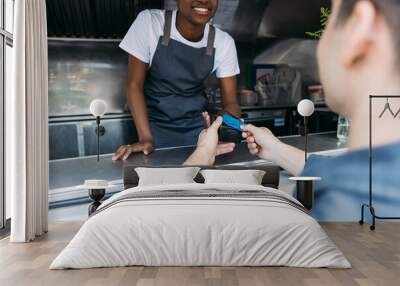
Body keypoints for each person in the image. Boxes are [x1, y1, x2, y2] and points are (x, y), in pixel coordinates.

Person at [187, 0, 400, 221]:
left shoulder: (340, 207)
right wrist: (277, 150)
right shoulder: (376, 181)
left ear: (359, 28)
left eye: (330, 21)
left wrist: (202, 153)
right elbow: (359, 174)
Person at [113, 0, 241, 160]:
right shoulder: (150, 22)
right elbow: (133, 86)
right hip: (151, 128)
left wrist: (227, 125)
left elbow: (231, 103)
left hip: (198, 134)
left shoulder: (223, 42)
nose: (204, 1)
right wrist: (146, 138)